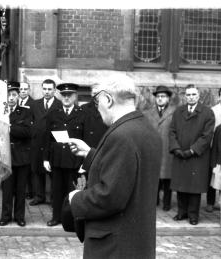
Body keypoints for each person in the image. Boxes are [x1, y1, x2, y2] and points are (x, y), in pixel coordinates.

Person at [67, 74, 162, 258]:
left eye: (97, 102)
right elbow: (129, 170)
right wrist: (90, 154)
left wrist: (75, 199)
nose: (97, 108)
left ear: (108, 99)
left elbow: (110, 197)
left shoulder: (121, 135)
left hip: (114, 246)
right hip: (136, 242)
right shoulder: (145, 129)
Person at [169, 84, 215, 225]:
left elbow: (207, 136)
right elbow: (172, 131)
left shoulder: (207, 113)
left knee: (194, 188)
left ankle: (193, 215)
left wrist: (192, 150)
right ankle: (181, 212)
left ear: (198, 96)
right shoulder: (178, 112)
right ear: (185, 96)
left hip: (196, 157)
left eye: (193, 94)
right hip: (180, 154)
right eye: (188, 94)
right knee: (181, 185)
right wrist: (176, 148)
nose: (191, 97)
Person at [44, 83, 85, 227]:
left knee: (72, 191)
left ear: (75, 96)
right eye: (64, 95)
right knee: (56, 190)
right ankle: (56, 217)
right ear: (60, 96)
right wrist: (45, 159)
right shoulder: (53, 113)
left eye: (70, 95)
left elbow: (85, 138)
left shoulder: (81, 113)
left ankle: (71, 219)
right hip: (57, 159)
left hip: (74, 160)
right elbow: (47, 137)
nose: (66, 98)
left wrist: (84, 162)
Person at [0, 83, 32, 227]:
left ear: (19, 96)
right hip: (5, 156)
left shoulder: (25, 112)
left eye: (14, 95)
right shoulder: (0, 113)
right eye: (8, 95)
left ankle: (19, 216)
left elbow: (27, 132)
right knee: (7, 189)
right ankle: (5, 216)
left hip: (21, 156)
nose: (11, 98)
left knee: (20, 189)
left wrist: (9, 128)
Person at [29, 79, 61, 206]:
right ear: (42, 89)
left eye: (49, 89)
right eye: (45, 89)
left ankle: (54, 198)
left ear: (54, 90)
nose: (47, 92)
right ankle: (39, 196)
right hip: (37, 143)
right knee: (38, 171)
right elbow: (30, 121)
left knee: (53, 173)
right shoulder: (35, 104)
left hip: (52, 144)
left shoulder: (59, 105)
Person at [144, 85, 176, 211]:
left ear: (168, 99)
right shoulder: (147, 113)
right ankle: (154, 200)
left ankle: (167, 203)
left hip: (168, 149)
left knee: (167, 178)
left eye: (163, 96)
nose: (160, 99)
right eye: (158, 96)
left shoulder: (174, 112)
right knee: (154, 177)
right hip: (153, 149)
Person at [206, 87, 221, 212]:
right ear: (219, 97)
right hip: (214, 147)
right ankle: (210, 201)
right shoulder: (213, 111)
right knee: (213, 174)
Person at [18, 82, 35, 199]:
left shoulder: (33, 104)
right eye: (21, 89)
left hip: (28, 138)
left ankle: (30, 191)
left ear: (29, 90)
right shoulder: (14, 102)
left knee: (28, 169)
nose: (23, 91)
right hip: (17, 138)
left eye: (25, 89)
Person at [81, 84, 107, 149]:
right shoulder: (84, 108)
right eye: (94, 93)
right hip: (87, 145)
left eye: (98, 93)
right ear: (91, 94)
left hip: (102, 144)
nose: (96, 96)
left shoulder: (108, 108)